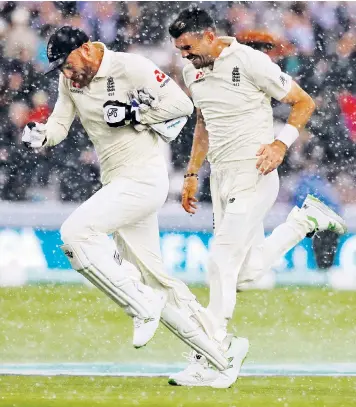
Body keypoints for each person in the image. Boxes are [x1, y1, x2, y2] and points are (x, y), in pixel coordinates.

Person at [21, 26, 246, 389]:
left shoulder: (130, 67)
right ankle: (220, 355)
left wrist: (133, 113)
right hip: (117, 182)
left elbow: (183, 106)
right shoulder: (71, 82)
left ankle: (140, 306)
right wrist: (41, 134)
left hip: (145, 178)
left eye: (67, 64)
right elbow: (60, 125)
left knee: (75, 234)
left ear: (86, 49)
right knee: (154, 279)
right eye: (60, 69)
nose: (66, 73)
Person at [168, 7, 347, 386]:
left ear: (209, 36)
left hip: (256, 172)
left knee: (219, 263)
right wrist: (191, 173)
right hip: (221, 179)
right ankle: (304, 221)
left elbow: (304, 102)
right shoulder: (191, 69)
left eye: (188, 47)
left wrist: (281, 145)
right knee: (244, 275)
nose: (184, 55)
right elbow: (203, 122)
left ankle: (215, 354)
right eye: (179, 49)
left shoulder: (249, 61)